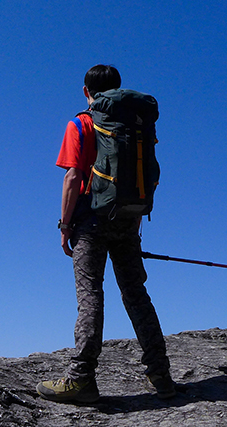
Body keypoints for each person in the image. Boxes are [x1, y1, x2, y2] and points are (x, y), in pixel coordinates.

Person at [36, 64, 175, 403]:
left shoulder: (82, 123)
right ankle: (162, 375)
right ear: (117, 89)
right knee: (136, 295)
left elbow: (72, 178)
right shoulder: (133, 123)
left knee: (90, 296)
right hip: (128, 220)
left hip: (90, 222)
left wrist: (65, 225)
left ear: (87, 92)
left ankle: (82, 379)